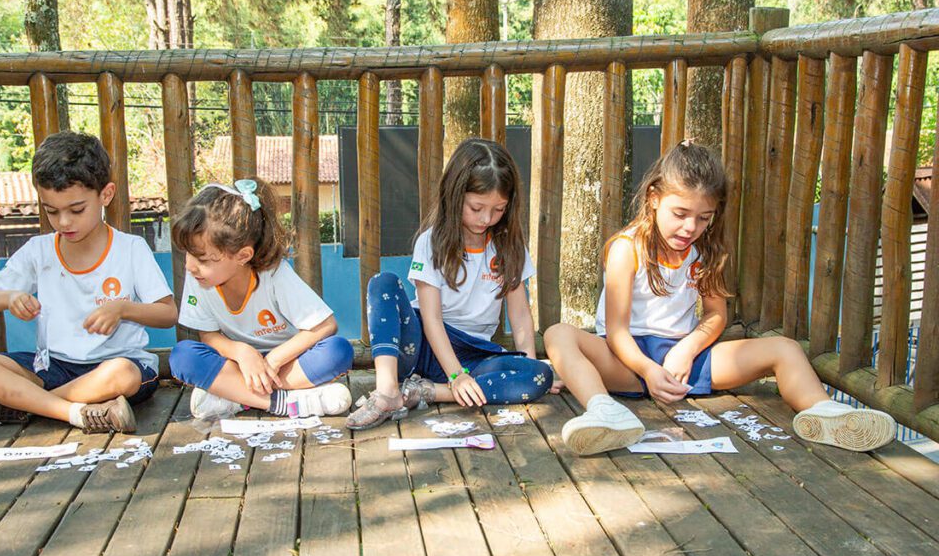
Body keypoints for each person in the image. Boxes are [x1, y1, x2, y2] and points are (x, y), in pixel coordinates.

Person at [546, 140, 896, 455]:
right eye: (680, 214)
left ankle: (823, 413)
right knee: (557, 334)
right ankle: (604, 411)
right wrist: (648, 369)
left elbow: (716, 315)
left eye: (703, 218)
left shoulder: (704, 251)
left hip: (684, 361)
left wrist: (687, 350)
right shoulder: (627, 248)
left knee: (785, 348)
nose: (690, 228)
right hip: (627, 362)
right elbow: (617, 332)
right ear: (654, 198)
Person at [0, 131, 178, 433]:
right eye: (51, 211)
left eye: (76, 210)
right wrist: (10, 298)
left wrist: (122, 309)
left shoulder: (130, 248)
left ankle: (26, 404)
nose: (63, 222)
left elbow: (168, 314)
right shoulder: (39, 250)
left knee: (123, 374)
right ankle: (74, 412)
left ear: (106, 195)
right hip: (51, 368)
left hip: (114, 366)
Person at [347, 137, 554, 430]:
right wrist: (456, 375)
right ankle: (388, 391)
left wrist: (529, 363)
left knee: (539, 375)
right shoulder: (430, 242)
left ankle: (426, 392)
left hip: (474, 354)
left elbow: (520, 316)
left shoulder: (511, 246)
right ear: (455, 195)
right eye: (476, 207)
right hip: (421, 344)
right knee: (383, 283)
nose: (486, 218)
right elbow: (431, 319)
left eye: (498, 209)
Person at [168, 178, 353, 419]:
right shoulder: (199, 277)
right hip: (239, 364)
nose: (190, 266)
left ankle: (235, 396)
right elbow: (208, 336)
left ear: (243, 255)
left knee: (337, 351)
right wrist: (242, 352)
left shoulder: (274, 275)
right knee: (183, 356)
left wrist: (274, 359)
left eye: (202, 259)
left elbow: (325, 325)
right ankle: (282, 402)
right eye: (188, 254)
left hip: (286, 362)